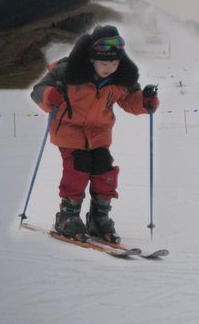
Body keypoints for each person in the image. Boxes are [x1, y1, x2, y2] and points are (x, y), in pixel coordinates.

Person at [30, 25, 159, 243]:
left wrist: (145, 103)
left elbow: (130, 100)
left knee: (104, 169)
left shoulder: (121, 77)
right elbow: (38, 91)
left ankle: (99, 217)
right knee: (78, 168)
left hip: (99, 133)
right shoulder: (67, 70)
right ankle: (67, 216)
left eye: (115, 62)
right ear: (91, 58)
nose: (109, 67)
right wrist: (49, 95)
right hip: (70, 130)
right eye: (104, 62)